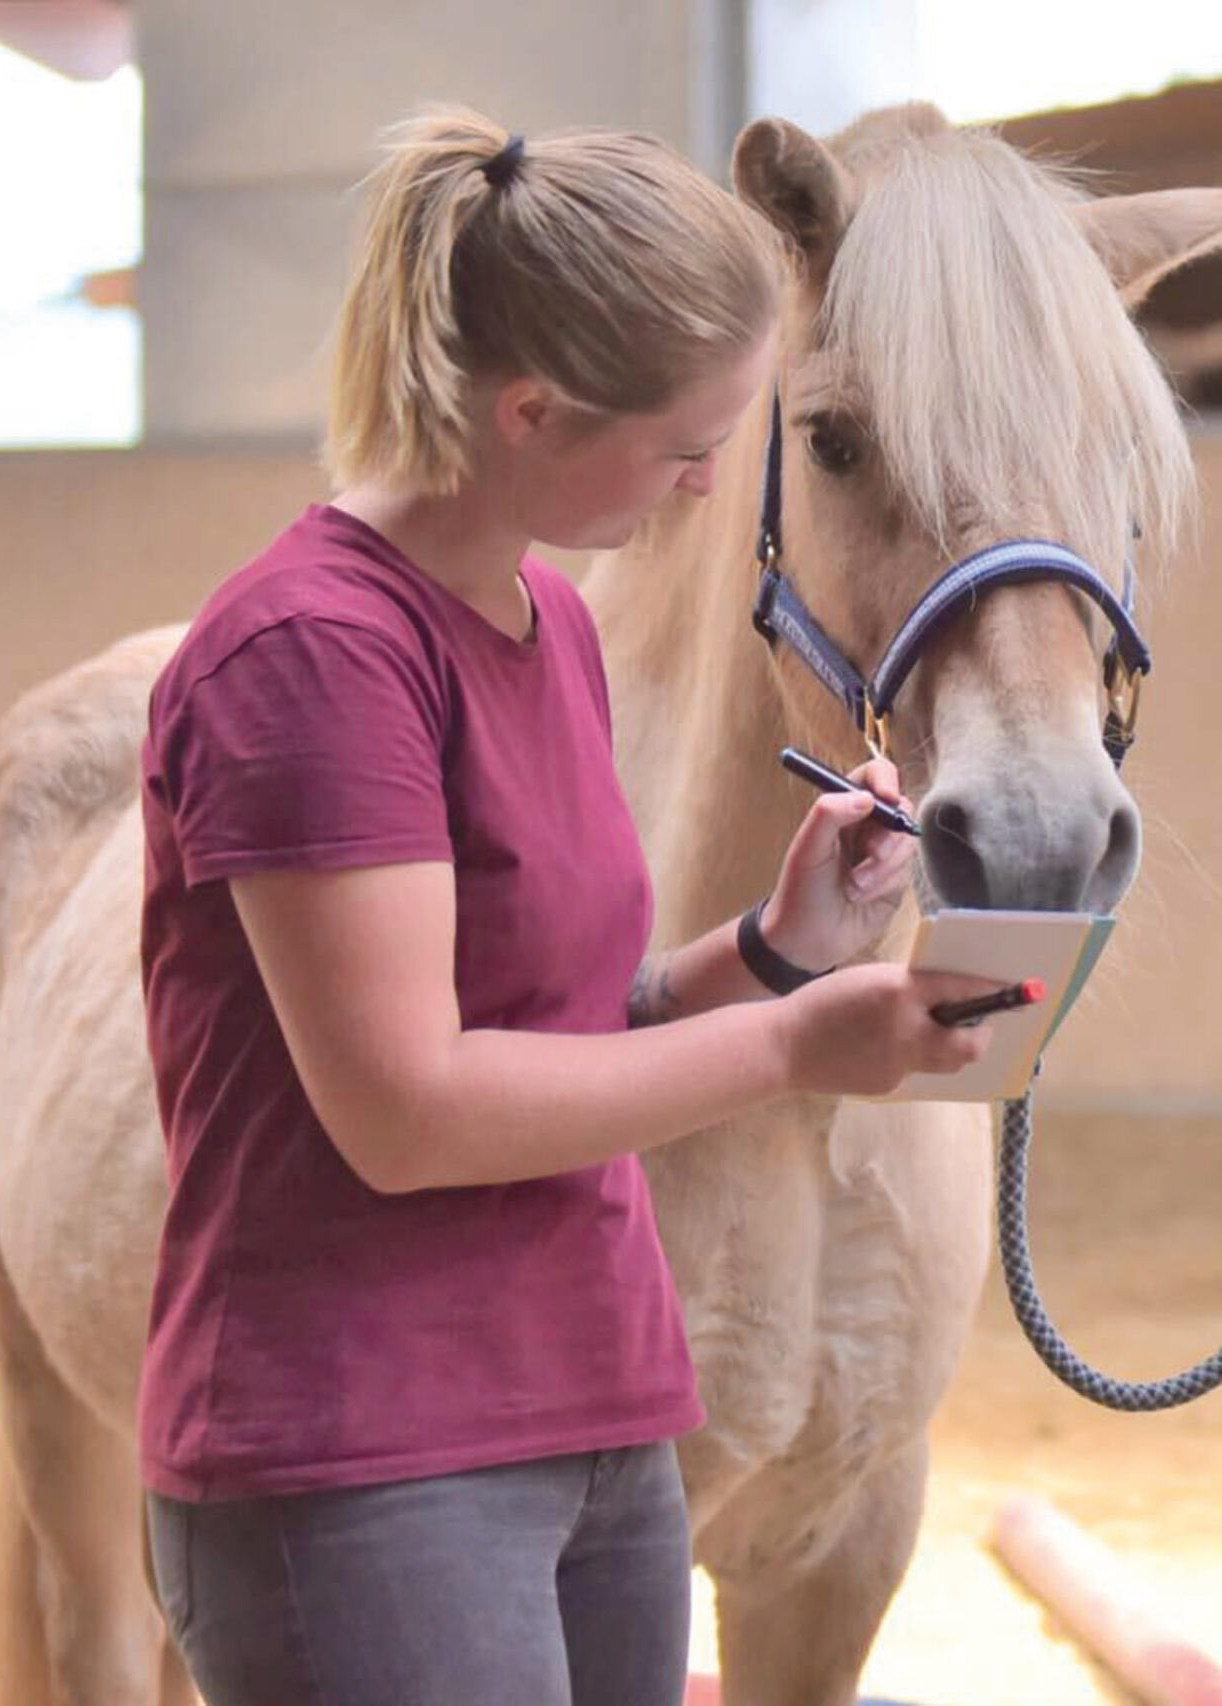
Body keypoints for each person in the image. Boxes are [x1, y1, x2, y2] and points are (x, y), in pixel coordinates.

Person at [135, 108, 1000, 1706]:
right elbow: (410, 1109)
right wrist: (801, 1043)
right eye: (685, 447)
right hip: (365, 1448)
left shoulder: (545, 618)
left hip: (590, 1412)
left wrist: (770, 946)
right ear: (528, 410)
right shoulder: (313, 660)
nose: (696, 490)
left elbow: (554, 1024)